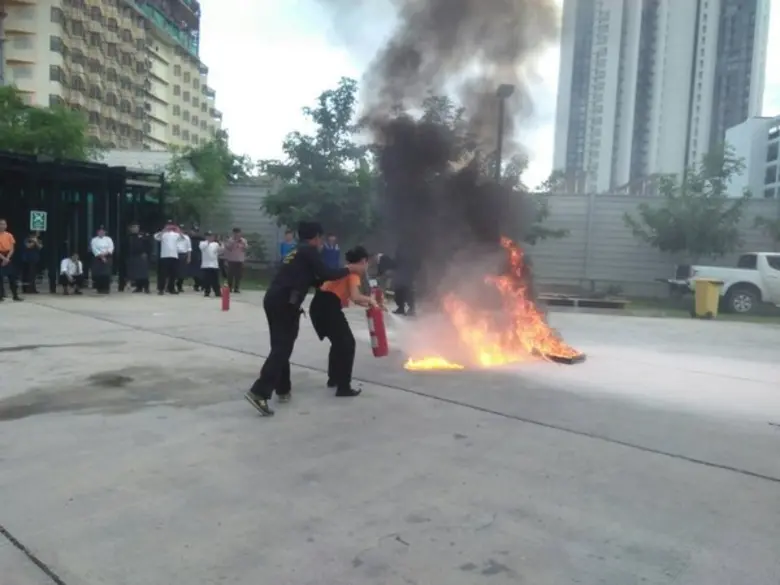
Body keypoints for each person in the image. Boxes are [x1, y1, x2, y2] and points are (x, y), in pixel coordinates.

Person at [244, 221, 365, 416]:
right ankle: (259, 392)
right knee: (283, 348)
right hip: (285, 303)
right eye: (321, 238)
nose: (321, 242)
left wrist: (325, 282)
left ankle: (283, 389)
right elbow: (326, 273)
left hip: (274, 298)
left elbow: (311, 278)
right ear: (316, 237)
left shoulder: (295, 251)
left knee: (280, 345)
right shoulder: (308, 251)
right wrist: (349, 270)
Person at [309, 246, 378, 398]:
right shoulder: (353, 274)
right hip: (328, 308)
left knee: (339, 343)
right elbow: (355, 296)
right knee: (347, 344)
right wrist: (370, 300)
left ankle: (333, 379)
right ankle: (343, 387)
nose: (366, 267)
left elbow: (354, 298)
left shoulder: (343, 270)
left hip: (319, 306)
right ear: (363, 261)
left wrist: (370, 304)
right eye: (367, 263)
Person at [154, 221, 184, 295]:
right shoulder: (163, 234)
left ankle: (171, 288)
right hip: (164, 256)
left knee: (173, 274)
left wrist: (178, 230)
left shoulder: (176, 234)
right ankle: (161, 289)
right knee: (163, 274)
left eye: (171, 225)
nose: (170, 227)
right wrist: (164, 230)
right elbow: (156, 237)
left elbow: (183, 238)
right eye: (168, 225)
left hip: (174, 256)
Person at [125, 222, 151, 293]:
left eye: (136, 227)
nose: (135, 229)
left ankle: (146, 287)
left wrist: (146, 253)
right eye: (133, 227)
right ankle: (139, 287)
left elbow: (148, 245)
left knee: (144, 273)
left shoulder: (143, 235)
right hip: (133, 256)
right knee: (136, 273)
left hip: (142, 256)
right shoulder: (129, 236)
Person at [0, 219, 22, 302]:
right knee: (0, 278)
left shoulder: (9, 235)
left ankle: (15, 295)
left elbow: (12, 248)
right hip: (1, 256)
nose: (2, 226)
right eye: (0, 224)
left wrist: (7, 258)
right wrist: (3, 259)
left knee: (12, 277)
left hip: (8, 256)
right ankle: (1, 295)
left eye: (4, 224)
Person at [90, 226, 114, 294]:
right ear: (97, 232)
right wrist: (101, 256)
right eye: (99, 231)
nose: (101, 232)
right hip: (98, 258)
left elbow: (111, 247)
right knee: (98, 274)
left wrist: (105, 254)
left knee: (106, 273)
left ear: (105, 232)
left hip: (107, 257)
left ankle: (106, 288)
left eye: (102, 231)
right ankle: (99, 288)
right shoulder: (94, 240)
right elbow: (94, 249)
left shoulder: (108, 239)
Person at [223, 227, 247, 293]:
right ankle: (229, 288)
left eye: (238, 233)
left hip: (240, 260)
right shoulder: (230, 240)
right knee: (230, 275)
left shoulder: (243, 240)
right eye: (235, 233)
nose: (237, 234)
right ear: (233, 233)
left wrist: (242, 245)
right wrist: (233, 242)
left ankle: (236, 288)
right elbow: (228, 248)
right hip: (231, 260)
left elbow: (245, 249)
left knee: (238, 275)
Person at [199, 231, 223, 297]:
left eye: (211, 236)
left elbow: (220, 251)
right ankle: (207, 292)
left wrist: (221, 244)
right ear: (206, 237)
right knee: (207, 280)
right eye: (208, 236)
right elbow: (202, 248)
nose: (210, 237)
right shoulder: (202, 243)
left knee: (215, 280)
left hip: (214, 265)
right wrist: (208, 241)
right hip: (206, 265)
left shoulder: (216, 244)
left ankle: (217, 292)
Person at [175, 224, 192, 293]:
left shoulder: (186, 238)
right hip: (175, 254)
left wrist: (189, 257)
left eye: (182, 229)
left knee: (182, 272)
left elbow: (189, 248)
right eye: (180, 229)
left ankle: (179, 285)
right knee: (174, 271)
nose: (181, 230)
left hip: (183, 254)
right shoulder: (174, 236)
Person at [188, 226, 204, 292]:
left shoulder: (201, 239)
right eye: (193, 231)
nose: (194, 232)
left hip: (199, 256)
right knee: (193, 272)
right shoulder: (189, 239)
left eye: (196, 231)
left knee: (199, 272)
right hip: (192, 256)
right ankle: (198, 284)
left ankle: (199, 284)